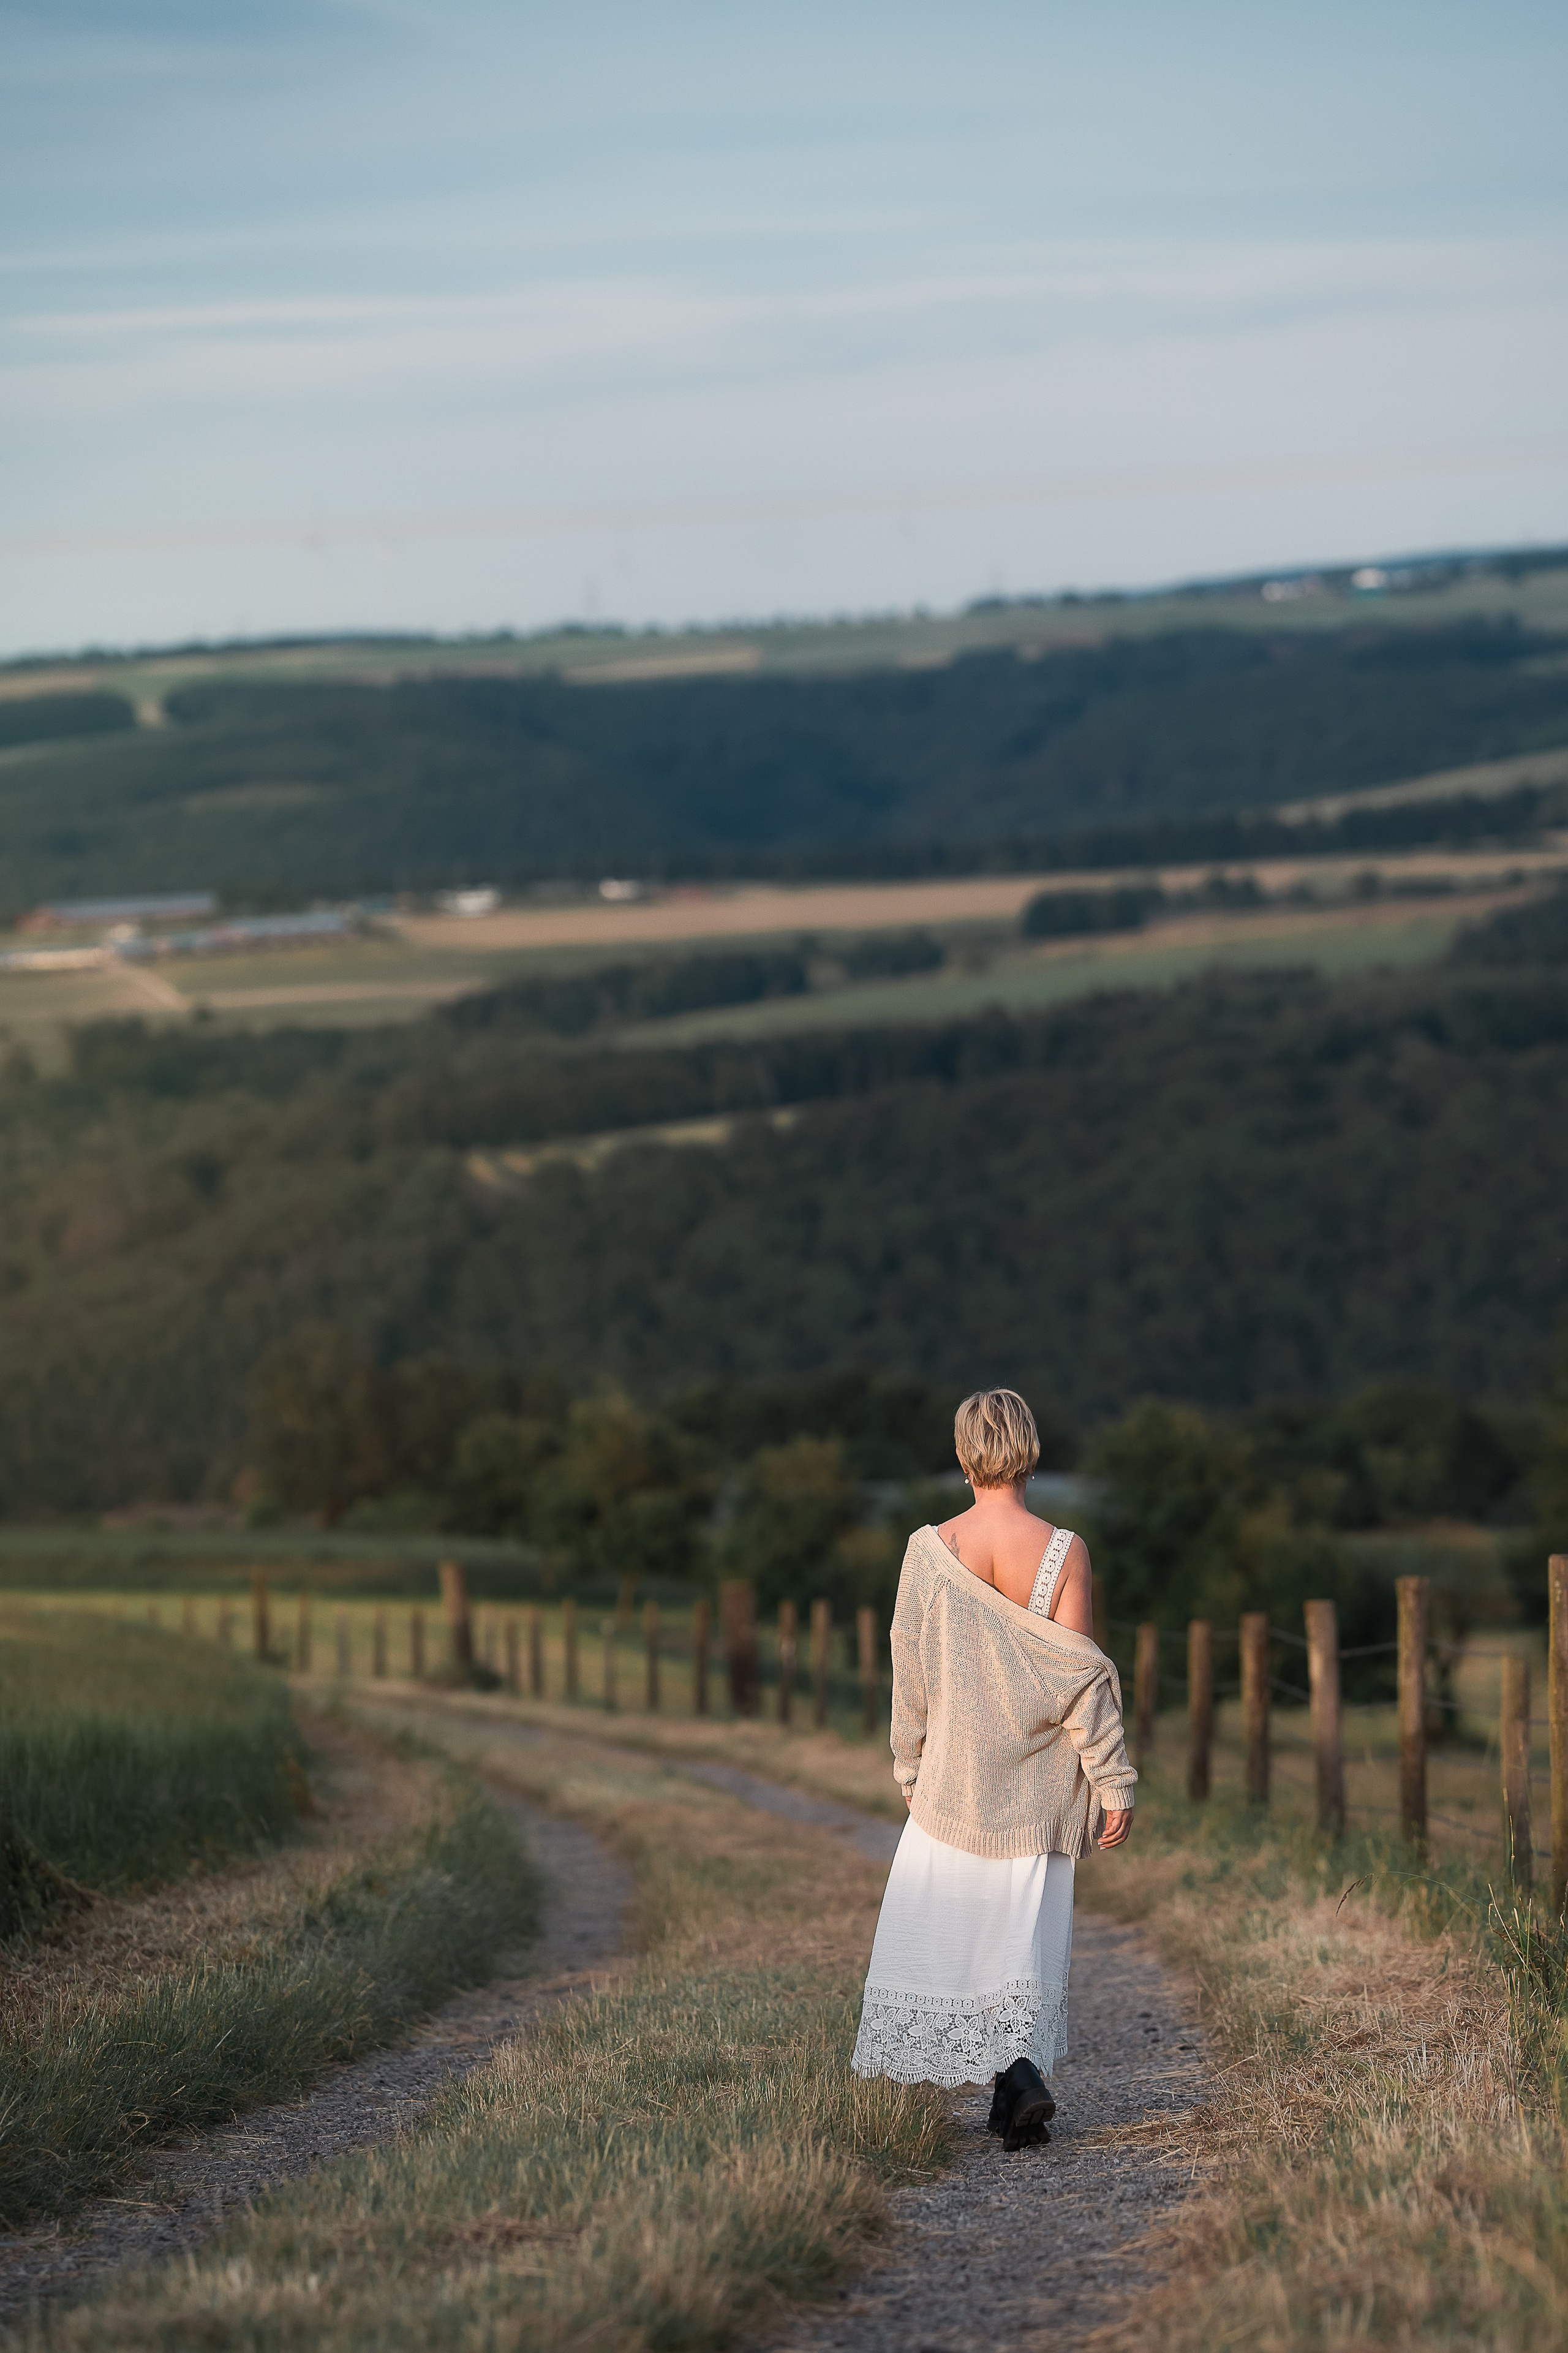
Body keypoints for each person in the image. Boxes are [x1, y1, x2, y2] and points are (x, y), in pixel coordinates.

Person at [851, 1386, 1135, 2150]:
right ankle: (1016, 2085)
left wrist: (909, 1765)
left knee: (957, 1936)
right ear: (1030, 1450)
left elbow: (907, 1671)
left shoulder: (927, 1550)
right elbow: (1080, 1681)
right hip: (1039, 1785)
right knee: (1018, 1940)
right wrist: (1113, 1780)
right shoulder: (1064, 1551)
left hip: (952, 1778)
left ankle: (1014, 2087)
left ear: (961, 1454)